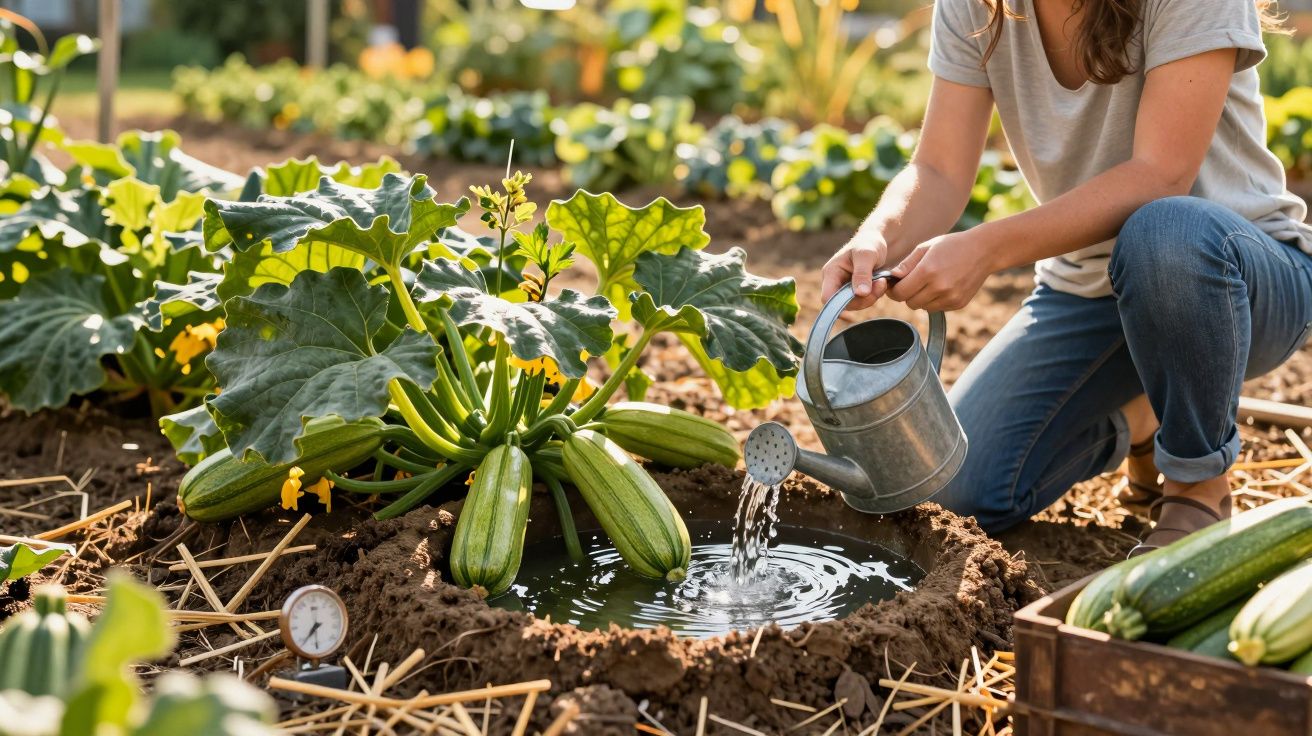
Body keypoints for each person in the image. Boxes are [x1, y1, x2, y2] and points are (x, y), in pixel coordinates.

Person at [821, 0, 1312, 555]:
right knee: (954, 489)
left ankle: (1197, 485)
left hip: (1230, 280)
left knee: (1164, 230)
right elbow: (937, 168)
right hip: (1088, 292)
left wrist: (985, 248)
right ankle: (1145, 419)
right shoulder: (975, 7)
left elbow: (1161, 174)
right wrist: (878, 236)